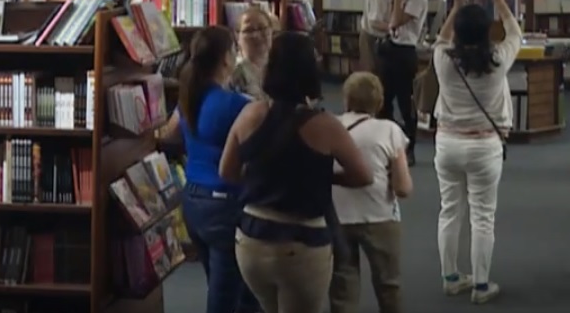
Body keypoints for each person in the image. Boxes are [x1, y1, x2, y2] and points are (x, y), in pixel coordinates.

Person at [220, 32, 373, 313]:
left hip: (251, 238)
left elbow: (227, 171)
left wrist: (264, 179)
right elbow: (364, 176)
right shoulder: (325, 125)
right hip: (302, 242)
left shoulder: (250, 114)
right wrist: (325, 177)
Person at [431, 0, 522, 304]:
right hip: (485, 145)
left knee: (449, 211)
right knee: (483, 215)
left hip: (447, 144)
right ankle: (481, 285)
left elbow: (440, 39)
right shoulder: (498, 60)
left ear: (457, 29)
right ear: (487, 31)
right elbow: (515, 34)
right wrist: (499, 0)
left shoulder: (443, 59)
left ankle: (450, 276)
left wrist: (454, 5)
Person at [158, 26, 259, 313]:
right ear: (227, 59)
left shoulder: (189, 99)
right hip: (226, 204)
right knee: (228, 293)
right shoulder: (237, 105)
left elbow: (168, 134)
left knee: (221, 283)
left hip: (192, 200)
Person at [329, 72, 412, 313]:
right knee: (389, 284)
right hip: (380, 217)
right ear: (380, 102)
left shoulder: (330, 126)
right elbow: (403, 187)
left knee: (342, 287)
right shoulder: (389, 130)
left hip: (338, 217)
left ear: (346, 99)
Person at [379, 0, 428, 165]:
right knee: (384, 100)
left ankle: (409, 148)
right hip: (391, 49)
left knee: (405, 103)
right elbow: (392, 23)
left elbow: (396, 21)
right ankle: (389, 144)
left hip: (405, 52)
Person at [232, 4, 279, 98]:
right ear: (237, 36)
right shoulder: (234, 72)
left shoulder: (281, 66)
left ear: (271, 31)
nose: (256, 35)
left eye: (262, 28)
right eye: (249, 30)